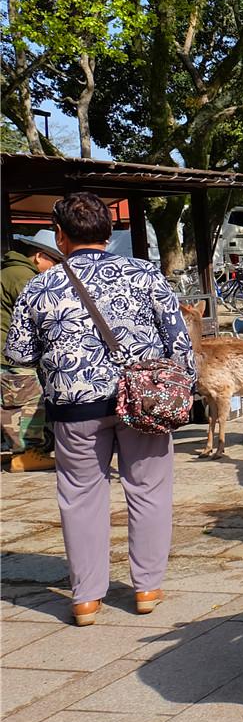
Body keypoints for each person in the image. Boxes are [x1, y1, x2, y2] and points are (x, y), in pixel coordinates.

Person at [5, 192, 197, 626]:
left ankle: (86, 597)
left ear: (59, 234)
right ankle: (147, 587)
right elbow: (180, 343)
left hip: (74, 404)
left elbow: (17, 352)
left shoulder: (42, 285)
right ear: (110, 232)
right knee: (148, 490)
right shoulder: (146, 275)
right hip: (145, 401)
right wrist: (182, 388)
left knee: (80, 496)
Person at [3, 232, 63, 471]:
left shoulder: (11, 271)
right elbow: (43, 314)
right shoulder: (24, 277)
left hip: (6, 352)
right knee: (27, 402)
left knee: (13, 403)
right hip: (12, 354)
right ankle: (27, 453)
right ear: (39, 256)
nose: (57, 268)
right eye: (55, 262)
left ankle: (21, 451)